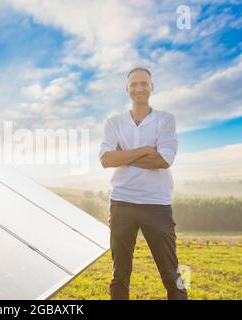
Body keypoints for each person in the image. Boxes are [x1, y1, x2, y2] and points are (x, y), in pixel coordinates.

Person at [99, 67, 188, 300]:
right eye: (134, 84)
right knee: (120, 275)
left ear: (152, 87)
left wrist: (125, 156)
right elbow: (106, 159)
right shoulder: (114, 122)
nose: (139, 88)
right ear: (126, 89)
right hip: (121, 204)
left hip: (156, 204)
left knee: (171, 274)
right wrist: (144, 151)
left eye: (144, 83)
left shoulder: (166, 119)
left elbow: (164, 160)